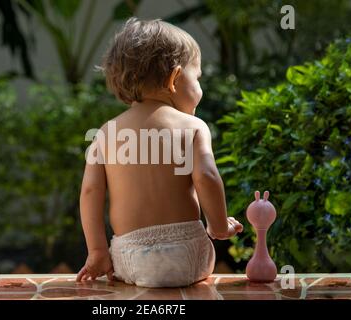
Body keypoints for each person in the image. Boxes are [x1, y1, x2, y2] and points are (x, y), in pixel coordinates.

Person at [76, 17, 243, 288]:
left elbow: (90, 192)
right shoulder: (193, 127)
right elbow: (207, 177)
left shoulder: (105, 134)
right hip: (188, 256)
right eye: (197, 78)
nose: (200, 89)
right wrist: (220, 226)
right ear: (175, 78)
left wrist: (97, 252)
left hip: (129, 259)